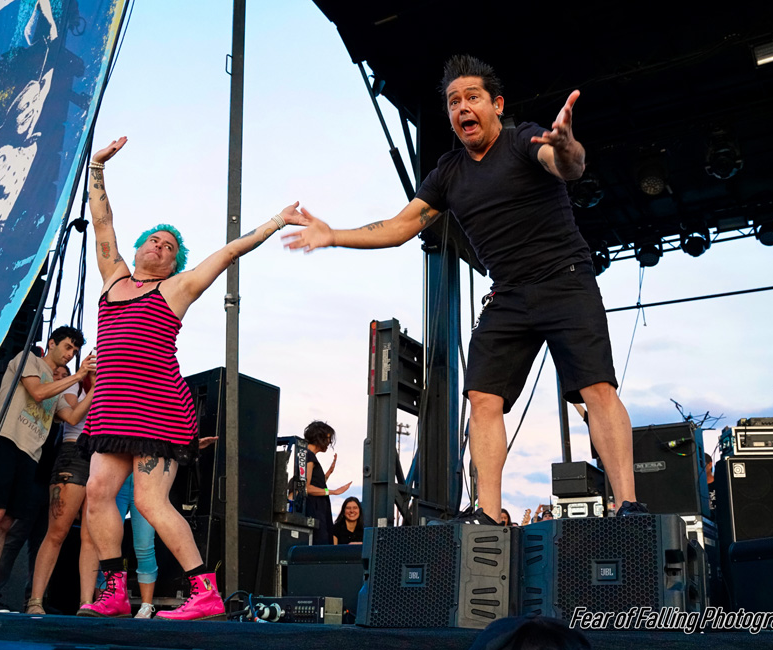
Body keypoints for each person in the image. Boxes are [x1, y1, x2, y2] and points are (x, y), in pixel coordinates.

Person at [284, 54, 643, 523]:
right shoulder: (448, 173)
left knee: (596, 388)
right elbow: (400, 226)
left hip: (565, 279)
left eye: (472, 97)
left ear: (495, 104)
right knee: (483, 398)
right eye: (454, 102)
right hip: (508, 294)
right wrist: (333, 235)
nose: (462, 108)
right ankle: (489, 516)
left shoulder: (522, 140)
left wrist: (568, 146)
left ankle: (628, 505)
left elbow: (565, 165)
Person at [78, 136, 308, 621]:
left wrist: (274, 221)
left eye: (170, 247)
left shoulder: (177, 288)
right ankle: (115, 589)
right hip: (112, 406)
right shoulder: (113, 275)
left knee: (148, 499)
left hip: (159, 404)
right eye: (155, 241)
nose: (160, 248)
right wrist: (96, 168)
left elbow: (227, 253)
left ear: (174, 262)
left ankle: (205, 592)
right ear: (139, 248)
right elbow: (103, 222)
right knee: (97, 493)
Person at [0, 327, 94, 612]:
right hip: (4, 439)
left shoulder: (60, 383)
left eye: (74, 351)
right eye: (67, 347)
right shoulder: (29, 360)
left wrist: (94, 384)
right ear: (51, 343)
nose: (70, 354)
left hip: (30, 452)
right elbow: (37, 393)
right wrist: (77, 375)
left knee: (6, 522)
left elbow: (73, 415)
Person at [26, 369, 97, 615]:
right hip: (74, 454)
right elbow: (73, 418)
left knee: (91, 537)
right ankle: (35, 601)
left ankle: (86, 603)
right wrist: (94, 384)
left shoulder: (115, 388)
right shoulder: (73, 386)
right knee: (57, 532)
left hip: (101, 455)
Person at [303, 421, 351, 545]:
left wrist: (328, 474)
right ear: (319, 437)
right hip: (315, 509)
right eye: (328, 438)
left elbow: (314, 484)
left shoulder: (307, 455)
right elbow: (306, 488)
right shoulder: (308, 456)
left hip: (318, 508)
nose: (329, 443)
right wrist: (332, 492)